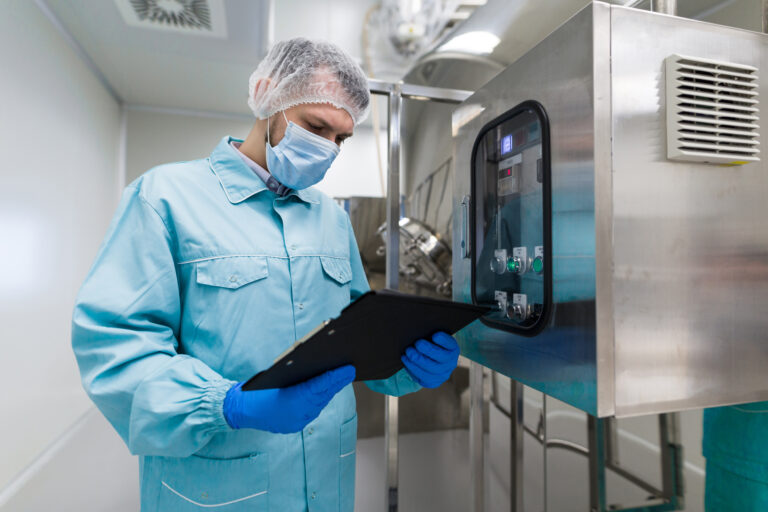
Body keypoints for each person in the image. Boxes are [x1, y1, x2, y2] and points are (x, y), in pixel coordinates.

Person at [71, 38, 460, 512]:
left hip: (325, 481)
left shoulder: (331, 219)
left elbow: (361, 336)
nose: (328, 150)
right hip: (218, 487)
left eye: (340, 138)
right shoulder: (164, 198)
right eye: (316, 127)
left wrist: (407, 364)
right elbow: (113, 348)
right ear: (267, 99)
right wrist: (227, 404)